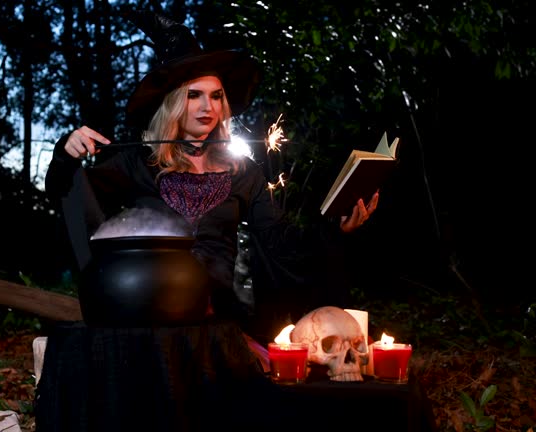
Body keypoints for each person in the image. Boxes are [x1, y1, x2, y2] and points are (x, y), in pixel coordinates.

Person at [44, 12, 377, 370]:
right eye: (195, 96)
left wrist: (333, 229)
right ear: (173, 102)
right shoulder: (137, 163)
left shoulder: (242, 171)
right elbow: (70, 194)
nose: (209, 108)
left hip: (222, 322)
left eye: (217, 97)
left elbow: (279, 243)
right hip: (153, 318)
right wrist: (67, 153)